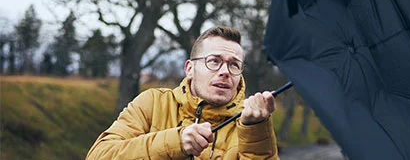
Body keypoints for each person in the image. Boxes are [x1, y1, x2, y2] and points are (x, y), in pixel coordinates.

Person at [86, 26, 279, 159]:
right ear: (189, 69)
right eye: (214, 61)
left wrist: (256, 132)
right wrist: (175, 142)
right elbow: (99, 155)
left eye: (234, 64)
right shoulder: (153, 103)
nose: (225, 71)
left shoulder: (250, 124)